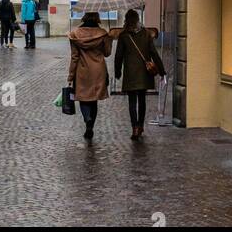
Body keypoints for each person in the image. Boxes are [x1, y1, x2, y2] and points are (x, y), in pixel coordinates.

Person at [114, 9, 166, 140]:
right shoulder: (146, 34)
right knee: (142, 100)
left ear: (126, 20)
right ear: (137, 19)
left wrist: (117, 71)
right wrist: (161, 70)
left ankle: (135, 127)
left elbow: (118, 56)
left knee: (132, 102)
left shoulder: (124, 35)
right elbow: (154, 53)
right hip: (144, 72)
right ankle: (140, 125)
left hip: (130, 73)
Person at [67, 10, 112, 140]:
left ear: (84, 17)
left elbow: (74, 57)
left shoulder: (75, 34)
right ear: (97, 18)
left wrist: (70, 76)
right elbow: (107, 53)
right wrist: (109, 40)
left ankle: (87, 119)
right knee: (94, 99)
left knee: (83, 97)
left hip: (82, 70)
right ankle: (91, 125)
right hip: (98, 70)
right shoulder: (102, 33)